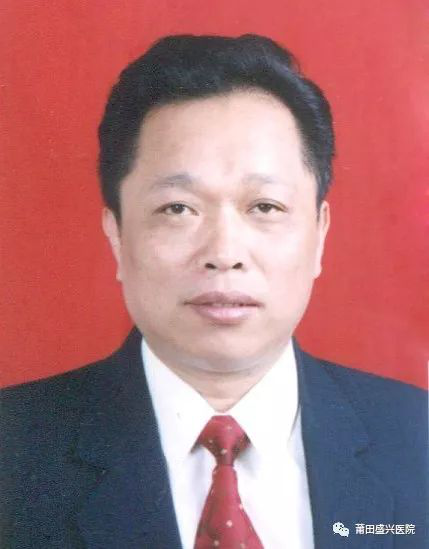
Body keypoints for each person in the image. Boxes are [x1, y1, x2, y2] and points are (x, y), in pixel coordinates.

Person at [1, 34, 427, 549]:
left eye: (265, 206)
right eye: (178, 208)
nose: (224, 253)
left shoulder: (418, 438)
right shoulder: (12, 451)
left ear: (319, 233)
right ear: (116, 234)